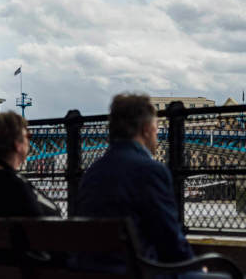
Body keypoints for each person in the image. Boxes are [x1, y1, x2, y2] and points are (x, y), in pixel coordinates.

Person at [77, 93, 194, 268]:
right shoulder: (151, 171)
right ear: (146, 129)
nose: (157, 136)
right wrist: (198, 267)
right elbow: (171, 243)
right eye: (156, 129)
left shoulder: (92, 173)